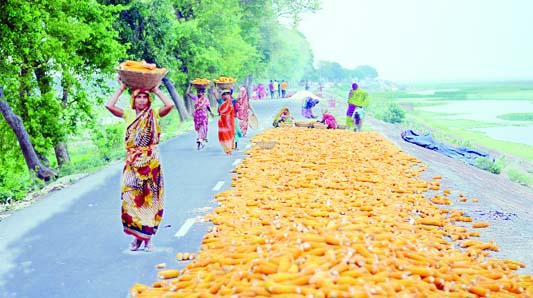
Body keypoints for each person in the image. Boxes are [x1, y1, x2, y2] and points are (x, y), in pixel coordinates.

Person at [105, 80, 174, 252]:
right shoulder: (128, 114)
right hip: (132, 162)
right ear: (133, 100)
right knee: (131, 199)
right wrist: (121, 88)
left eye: (145, 97)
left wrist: (157, 90)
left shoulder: (154, 114)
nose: (142, 100)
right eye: (139, 97)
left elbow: (170, 105)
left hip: (151, 162)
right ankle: (137, 238)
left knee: (150, 199)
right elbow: (109, 105)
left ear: (149, 100)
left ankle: (148, 239)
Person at [187, 84, 215, 150]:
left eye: (200, 92)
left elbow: (208, 107)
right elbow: (188, 93)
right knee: (198, 128)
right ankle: (200, 140)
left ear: (203, 93)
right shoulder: (196, 98)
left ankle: (199, 139)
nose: (199, 94)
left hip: (203, 115)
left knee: (202, 127)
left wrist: (211, 112)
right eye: (198, 92)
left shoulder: (205, 100)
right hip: (197, 115)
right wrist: (190, 86)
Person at [213, 88, 240, 154]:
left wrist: (240, 90)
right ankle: (227, 148)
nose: (226, 95)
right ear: (222, 96)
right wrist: (214, 86)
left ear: (230, 95)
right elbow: (215, 94)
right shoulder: (220, 101)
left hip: (230, 121)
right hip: (222, 122)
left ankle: (230, 147)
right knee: (224, 135)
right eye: (224, 94)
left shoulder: (232, 101)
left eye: (228, 94)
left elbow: (239, 98)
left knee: (231, 134)